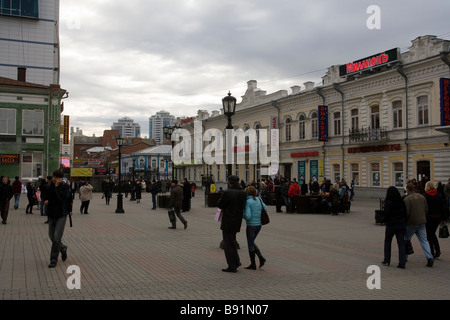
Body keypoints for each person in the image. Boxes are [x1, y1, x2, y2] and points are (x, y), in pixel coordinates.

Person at [217, 175, 247, 273]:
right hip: (237, 220)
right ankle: (236, 261)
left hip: (228, 220)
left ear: (229, 182)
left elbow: (220, 205)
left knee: (228, 244)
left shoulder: (227, 192)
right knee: (232, 241)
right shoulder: (243, 193)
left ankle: (232, 266)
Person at [43, 169, 70, 268]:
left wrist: (57, 187)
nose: (55, 179)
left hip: (61, 215)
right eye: (54, 177)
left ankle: (53, 259)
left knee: (57, 237)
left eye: (58, 178)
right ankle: (63, 248)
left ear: (61, 178)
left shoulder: (65, 186)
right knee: (51, 236)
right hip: (52, 214)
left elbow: (63, 197)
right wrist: (46, 200)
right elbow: (46, 196)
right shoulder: (50, 186)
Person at [404, 183, 434, 267]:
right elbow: (426, 209)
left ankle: (404, 256)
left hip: (411, 223)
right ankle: (429, 257)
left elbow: (406, 212)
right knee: (424, 240)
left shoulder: (407, 199)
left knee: (406, 239)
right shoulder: (422, 197)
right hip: (422, 221)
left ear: (407, 189)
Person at [382, 186, 407, 269]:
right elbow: (405, 213)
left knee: (388, 242)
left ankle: (387, 260)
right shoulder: (401, 202)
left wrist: (385, 220)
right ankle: (402, 263)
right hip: (401, 224)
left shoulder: (388, 202)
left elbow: (386, 213)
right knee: (401, 243)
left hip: (391, 224)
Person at [243, 186, 267, 270]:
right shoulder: (259, 199)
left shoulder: (248, 202)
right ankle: (261, 259)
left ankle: (254, 263)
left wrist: (243, 215)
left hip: (251, 225)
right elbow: (266, 209)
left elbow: (248, 216)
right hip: (258, 225)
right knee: (252, 242)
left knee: (250, 244)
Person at [423, 181, 447, 258]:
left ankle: (431, 252)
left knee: (429, 235)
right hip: (437, 217)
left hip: (428, 217)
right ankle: (437, 250)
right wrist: (443, 218)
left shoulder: (425, 196)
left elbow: (424, 208)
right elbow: (443, 208)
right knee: (432, 233)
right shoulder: (439, 195)